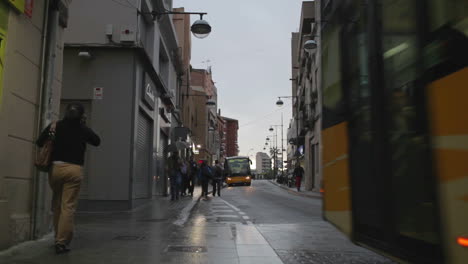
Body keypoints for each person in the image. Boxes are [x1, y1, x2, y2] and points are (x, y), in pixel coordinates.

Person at [36, 103, 100, 254]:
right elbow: (97, 141)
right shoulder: (82, 129)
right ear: (81, 115)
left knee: (57, 204)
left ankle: (57, 236)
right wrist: (83, 126)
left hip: (56, 169)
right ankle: (61, 242)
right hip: (74, 170)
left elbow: (39, 142)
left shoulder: (55, 126)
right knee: (68, 206)